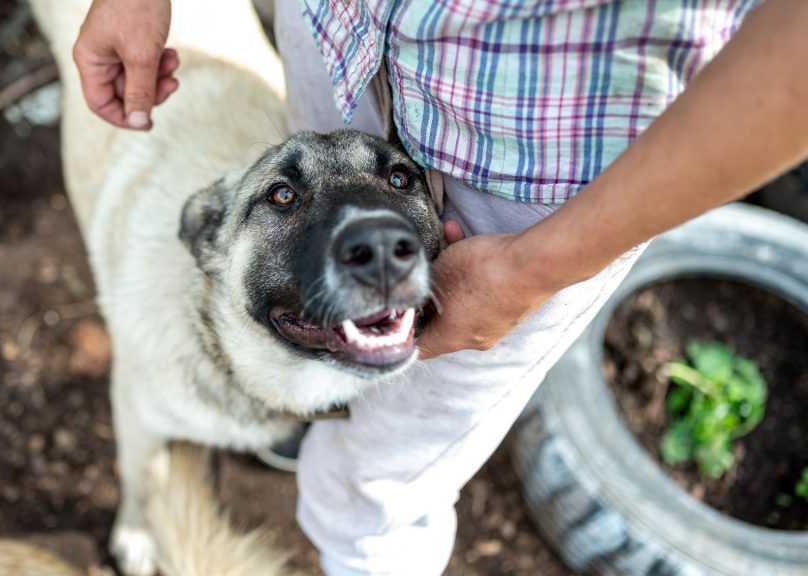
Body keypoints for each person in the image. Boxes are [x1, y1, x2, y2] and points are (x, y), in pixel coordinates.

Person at [73, 0, 808, 574]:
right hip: (337, 37)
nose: (382, 242)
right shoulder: (183, 282)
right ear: (207, 238)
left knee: (375, 500)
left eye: (398, 186)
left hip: (535, 165)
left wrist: (535, 265)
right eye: (281, 201)